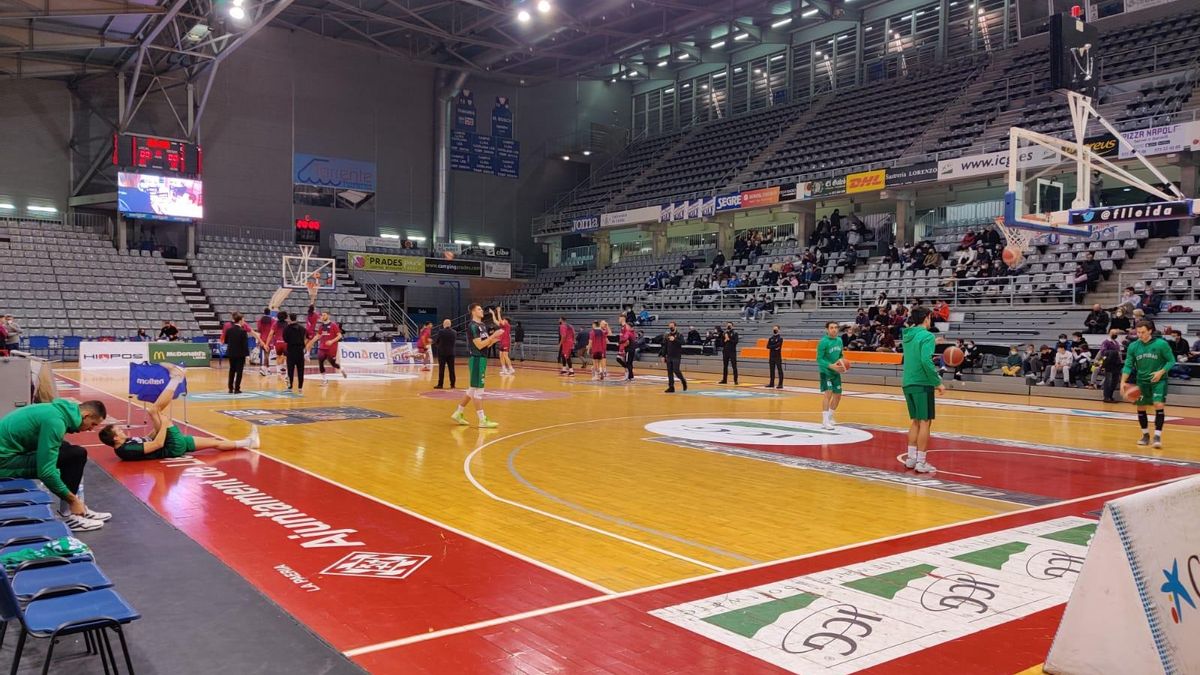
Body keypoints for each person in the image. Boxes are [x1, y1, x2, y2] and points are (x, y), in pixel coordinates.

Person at [101, 364, 259, 461]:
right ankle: (176, 378)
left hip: (174, 444)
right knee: (153, 410)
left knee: (214, 441)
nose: (122, 430)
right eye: (119, 431)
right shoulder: (126, 450)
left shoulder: (126, 442)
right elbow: (158, 444)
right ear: (115, 438)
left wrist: (157, 426)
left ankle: (249, 443)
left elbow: (149, 438)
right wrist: (163, 423)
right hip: (171, 446)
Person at [0, 398, 111, 531]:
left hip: (10, 454)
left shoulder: (59, 411)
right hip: (4, 463)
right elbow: (45, 472)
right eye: (93, 424)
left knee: (69, 450)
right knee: (75, 455)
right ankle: (71, 515)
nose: (90, 429)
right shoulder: (56, 422)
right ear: (85, 415)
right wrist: (72, 500)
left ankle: (79, 508)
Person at [901, 307, 943, 473]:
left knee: (916, 421)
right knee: (925, 421)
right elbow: (926, 361)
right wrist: (937, 382)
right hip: (922, 382)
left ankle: (911, 459)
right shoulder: (927, 336)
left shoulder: (908, 335)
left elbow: (916, 351)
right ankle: (921, 462)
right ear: (927, 318)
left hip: (908, 382)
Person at [1121, 320, 1175, 447]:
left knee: (1158, 404)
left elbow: (1171, 361)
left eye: (1143, 332)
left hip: (1159, 381)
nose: (1140, 335)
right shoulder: (1133, 346)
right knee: (1141, 408)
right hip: (1142, 381)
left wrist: (1161, 372)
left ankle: (1157, 436)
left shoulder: (1161, 344)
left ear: (1150, 331)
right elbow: (1128, 365)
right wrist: (1123, 382)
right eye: (1138, 332)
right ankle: (1145, 435)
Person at [451, 304, 502, 428]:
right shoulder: (473, 326)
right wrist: (493, 336)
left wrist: (496, 339)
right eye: (479, 309)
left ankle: (458, 413)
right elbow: (479, 345)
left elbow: (486, 345)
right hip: (477, 360)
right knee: (478, 391)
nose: (482, 311)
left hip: (482, 359)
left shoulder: (483, 325)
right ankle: (482, 420)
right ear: (473, 312)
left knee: (472, 389)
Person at [816, 321, 845, 429]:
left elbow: (841, 355)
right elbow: (819, 359)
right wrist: (830, 366)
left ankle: (830, 417)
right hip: (826, 372)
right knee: (828, 393)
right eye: (831, 327)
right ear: (827, 329)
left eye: (836, 327)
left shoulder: (839, 340)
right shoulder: (823, 342)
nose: (834, 329)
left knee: (838, 396)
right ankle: (824, 421)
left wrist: (842, 364)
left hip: (836, 372)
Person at [221, 312, 252, 394]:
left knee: (232, 370)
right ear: (240, 320)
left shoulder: (229, 330)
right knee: (239, 371)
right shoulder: (243, 331)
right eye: (243, 320)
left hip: (231, 353)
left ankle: (230, 388)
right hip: (240, 354)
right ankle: (237, 389)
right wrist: (247, 355)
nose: (244, 321)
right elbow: (245, 345)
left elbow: (226, 341)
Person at [314, 312, 348, 383]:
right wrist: (311, 342)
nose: (323, 316)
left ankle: (341, 368)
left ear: (328, 316)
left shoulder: (333, 325)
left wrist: (331, 341)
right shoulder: (321, 326)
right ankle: (324, 379)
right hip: (322, 347)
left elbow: (339, 336)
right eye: (322, 315)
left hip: (331, 348)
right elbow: (318, 336)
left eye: (324, 315)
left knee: (333, 364)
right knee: (320, 362)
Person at [282, 313, 308, 393]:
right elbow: (306, 337)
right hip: (300, 350)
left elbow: (285, 339)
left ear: (290, 319)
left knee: (290, 369)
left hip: (291, 350)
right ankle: (300, 387)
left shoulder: (286, 329)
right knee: (301, 370)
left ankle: (290, 387)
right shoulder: (302, 328)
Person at [659, 322, 687, 393]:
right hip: (669, 356)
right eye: (670, 327)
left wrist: (674, 339)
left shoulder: (679, 335)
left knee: (676, 370)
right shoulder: (667, 335)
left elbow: (683, 342)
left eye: (672, 326)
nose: (671, 328)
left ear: (675, 326)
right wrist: (663, 355)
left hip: (676, 356)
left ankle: (683, 380)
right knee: (669, 372)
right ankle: (671, 387)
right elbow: (665, 346)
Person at [1098, 330, 1123, 402]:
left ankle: (1111, 395)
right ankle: (1106, 396)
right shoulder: (1106, 342)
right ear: (1110, 333)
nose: (1115, 334)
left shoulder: (1116, 343)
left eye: (1116, 333)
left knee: (1115, 381)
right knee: (1108, 380)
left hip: (1116, 364)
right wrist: (1114, 352)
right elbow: (1103, 352)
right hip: (1109, 364)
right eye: (1114, 333)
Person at [434, 319, 457, 389]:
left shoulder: (441, 332)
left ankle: (440, 384)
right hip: (451, 353)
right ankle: (452, 384)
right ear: (450, 325)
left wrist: (438, 345)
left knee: (441, 369)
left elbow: (437, 341)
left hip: (442, 353)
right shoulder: (454, 332)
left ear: (444, 324)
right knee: (452, 369)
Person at [492, 308, 515, 376]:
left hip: (506, 342)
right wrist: (493, 313)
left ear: (507, 321)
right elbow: (495, 321)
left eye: (504, 320)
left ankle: (511, 369)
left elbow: (499, 320)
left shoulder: (507, 326)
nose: (503, 320)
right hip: (501, 342)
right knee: (501, 356)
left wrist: (498, 312)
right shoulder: (502, 326)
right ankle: (504, 369)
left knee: (505, 355)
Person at [256, 309, 277, 376]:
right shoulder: (273, 320)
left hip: (262, 338)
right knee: (266, 355)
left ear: (264, 312)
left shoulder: (260, 320)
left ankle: (268, 369)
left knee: (265, 354)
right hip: (269, 339)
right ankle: (264, 368)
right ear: (269, 313)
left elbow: (258, 329)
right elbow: (274, 330)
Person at [617, 315, 637, 381]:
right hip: (632, 349)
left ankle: (629, 375)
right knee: (629, 363)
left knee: (627, 362)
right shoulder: (633, 332)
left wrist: (620, 343)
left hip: (628, 349)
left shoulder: (628, 331)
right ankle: (630, 376)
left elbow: (625, 339)